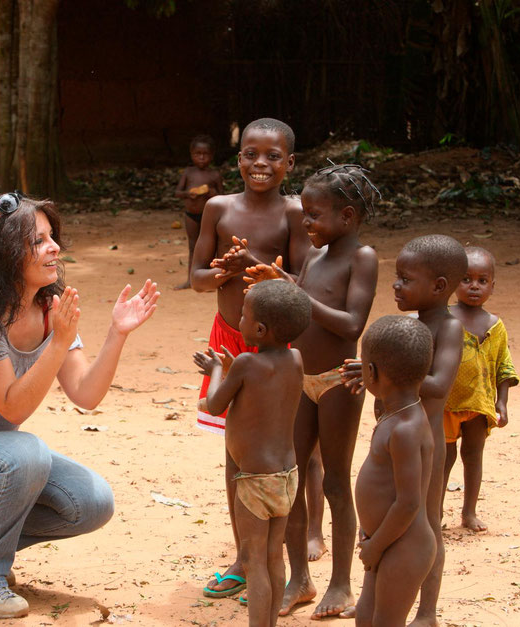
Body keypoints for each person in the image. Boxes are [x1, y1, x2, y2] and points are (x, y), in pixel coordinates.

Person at [0, 193, 159, 619]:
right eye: (38, 241)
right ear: (3, 253)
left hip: (1, 460)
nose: (53, 247)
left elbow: (86, 395)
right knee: (27, 449)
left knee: (92, 502)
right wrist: (57, 341)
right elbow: (12, 409)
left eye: (52, 237)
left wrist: (117, 333)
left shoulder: (49, 308)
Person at [245, 164, 380, 618]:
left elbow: (351, 324)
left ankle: (340, 584)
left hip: (340, 380)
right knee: (292, 476)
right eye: (304, 213)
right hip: (298, 377)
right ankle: (300, 578)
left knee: (337, 482)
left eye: (315, 215)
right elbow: (299, 310)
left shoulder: (363, 258)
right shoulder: (314, 258)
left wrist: (295, 293)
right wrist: (274, 285)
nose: (306, 223)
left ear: (347, 216)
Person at [189, 118, 309, 598]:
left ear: (290, 163)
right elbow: (196, 277)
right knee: (235, 452)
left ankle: (282, 557)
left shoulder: (295, 213)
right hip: (229, 341)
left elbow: (303, 285)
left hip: (277, 347)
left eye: (273, 156)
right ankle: (244, 557)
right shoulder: (217, 208)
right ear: (237, 161)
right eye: (251, 155)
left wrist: (261, 269)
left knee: (281, 450)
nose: (261, 164)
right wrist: (223, 273)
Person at [343, 234, 466, 625]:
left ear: (439, 287)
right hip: (400, 434)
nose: (395, 285)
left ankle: (425, 611)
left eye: (405, 279)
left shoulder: (448, 328)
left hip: (427, 437)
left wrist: (387, 373)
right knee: (395, 517)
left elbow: (440, 384)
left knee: (426, 523)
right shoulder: (409, 327)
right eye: (396, 277)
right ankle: (379, 595)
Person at [193, 280, 311, 626]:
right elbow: (263, 394)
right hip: (287, 476)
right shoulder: (295, 358)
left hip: (255, 481)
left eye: (243, 315)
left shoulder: (245, 363)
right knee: (275, 556)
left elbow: (215, 404)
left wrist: (216, 369)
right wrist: (232, 369)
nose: (239, 320)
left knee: (255, 559)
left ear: (259, 329)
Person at [354, 315, 437, 627]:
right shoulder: (396, 415)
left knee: (385, 622)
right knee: (366, 616)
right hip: (387, 540)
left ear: (372, 372)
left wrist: (375, 546)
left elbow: (408, 502)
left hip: (405, 546)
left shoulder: (405, 428)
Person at [442, 246, 519, 532]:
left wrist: (502, 402)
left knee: (473, 456)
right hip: (446, 403)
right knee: (443, 460)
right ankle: (434, 511)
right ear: (451, 282)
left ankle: (469, 512)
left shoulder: (496, 326)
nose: (474, 286)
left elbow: (504, 366)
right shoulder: (444, 318)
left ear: (492, 287)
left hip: (479, 403)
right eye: (466, 279)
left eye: (482, 281)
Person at [174, 135, 224, 290]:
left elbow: (223, 198)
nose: (201, 157)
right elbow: (178, 192)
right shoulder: (188, 172)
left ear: (212, 156)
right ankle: (190, 280)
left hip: (208, 217)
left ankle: (211, 281)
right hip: (191, 215)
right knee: (192, 246)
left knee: (211, 248)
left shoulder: (214, 175)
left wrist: (212, 192)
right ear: (192, 154)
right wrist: (189, 194)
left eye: (205, 154)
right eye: (198, 154)